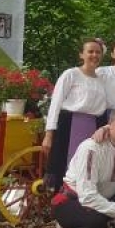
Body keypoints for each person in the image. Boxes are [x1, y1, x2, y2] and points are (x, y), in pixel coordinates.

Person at [43, 38, 109, 192]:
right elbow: (55, 104)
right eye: (90, 51)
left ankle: (84, 199)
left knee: (88, 167)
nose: (94, 55)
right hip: (70, 125)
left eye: (98, 52)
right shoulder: (71, 74)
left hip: (94, 128)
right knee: (66, 166)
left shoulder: (102, 80)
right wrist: (49, 135)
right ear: (81, 54)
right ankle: (62, 199)